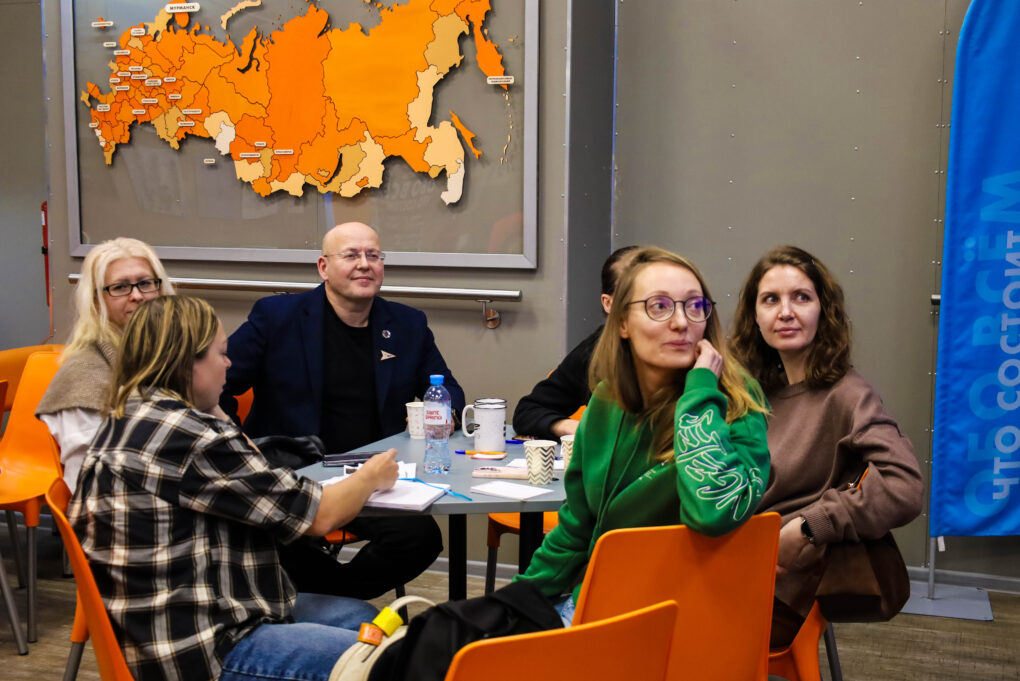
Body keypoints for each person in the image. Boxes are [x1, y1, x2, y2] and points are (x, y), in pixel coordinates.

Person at [68, 296, 396, 681]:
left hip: (172, 623)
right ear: (186, 363)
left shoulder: (132, 415)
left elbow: (252, 467)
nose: (228, 364)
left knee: (363, 619)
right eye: (221, 354)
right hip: (203, 650)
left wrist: (213, 406)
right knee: (384, 657)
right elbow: (320, 515)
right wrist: (371, 475)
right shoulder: (191, 437)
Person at [515, 247, 771, 624]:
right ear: (621, 322)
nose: (681, 322)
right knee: (464, 641)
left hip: (688, 617)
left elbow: (714, 513)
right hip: (601, 603)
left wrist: (700, 391)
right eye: (659, 306)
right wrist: (514, 600)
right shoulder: (606, 401)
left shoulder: (736, 405)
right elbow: (576, 529)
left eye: (695, 306)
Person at [220, 221, 460, 599]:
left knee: (420, 538)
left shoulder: (407, 324)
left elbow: (449, 392)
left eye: (373, 255)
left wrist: (442, 416)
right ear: (324, 267)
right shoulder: (277, 317)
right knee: (279, 537)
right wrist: (236, 442)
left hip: (372, 478)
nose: (364, 264)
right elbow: (216, 385)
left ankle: (334, 600)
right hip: (295, 476)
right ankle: (335, 607)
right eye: (351, 255)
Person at [729, 245, 924, 648]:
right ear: (754, 316)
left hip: (779, 592)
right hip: (734, 564)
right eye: (771, 300)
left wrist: (808, 527)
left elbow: (904, 487)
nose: (786, 312)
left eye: (801, 297)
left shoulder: (847, 394)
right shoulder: (753, 392)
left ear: (824, 311)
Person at [37, 237, 175, 490]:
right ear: (96, 300)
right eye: (120, 287)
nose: (137, 296)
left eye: (145, 283)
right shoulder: (84, 373)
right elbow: (89, 480)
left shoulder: (166, 351)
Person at [512, 245, 637, 440]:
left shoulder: (681, 349)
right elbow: (529, 411)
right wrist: (573, 428)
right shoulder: (596, 349)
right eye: (633, 298)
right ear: (608, 303)